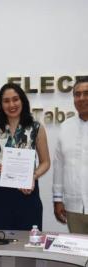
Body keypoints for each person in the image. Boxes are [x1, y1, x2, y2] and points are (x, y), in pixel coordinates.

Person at [0, 83, 50, 231]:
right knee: (0, 239)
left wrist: (32, 177)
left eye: (15, 99)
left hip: (27, 190)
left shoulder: (36, 128)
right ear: (0, 104)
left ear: (23, 101)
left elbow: (46, 162)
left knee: (29, 241)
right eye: (6, 101)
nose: (11, 104)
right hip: (0, 193)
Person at [53, 77, 88, 234]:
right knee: (79, 257)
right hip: (73, 208)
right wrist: (58, 199)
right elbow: (59, 165)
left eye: (86, 93)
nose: (81, 98)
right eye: (77, 94)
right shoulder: (66, 127)